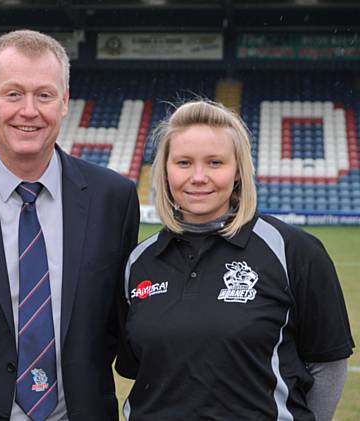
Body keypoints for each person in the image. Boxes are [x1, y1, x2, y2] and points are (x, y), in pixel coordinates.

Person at [0, 29, 140, 421]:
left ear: (65, 102)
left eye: (44, 95)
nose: (29, 110)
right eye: (13, 94)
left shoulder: (113, 198)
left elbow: (117, 323)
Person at [117, 100, 355, 420]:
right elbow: (137, 368)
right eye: (184, 162)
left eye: (215, 163)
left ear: (239, 171)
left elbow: (328, 363)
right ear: (165, 170)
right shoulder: (138, 261)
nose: (198, 177)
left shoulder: (294, 250)